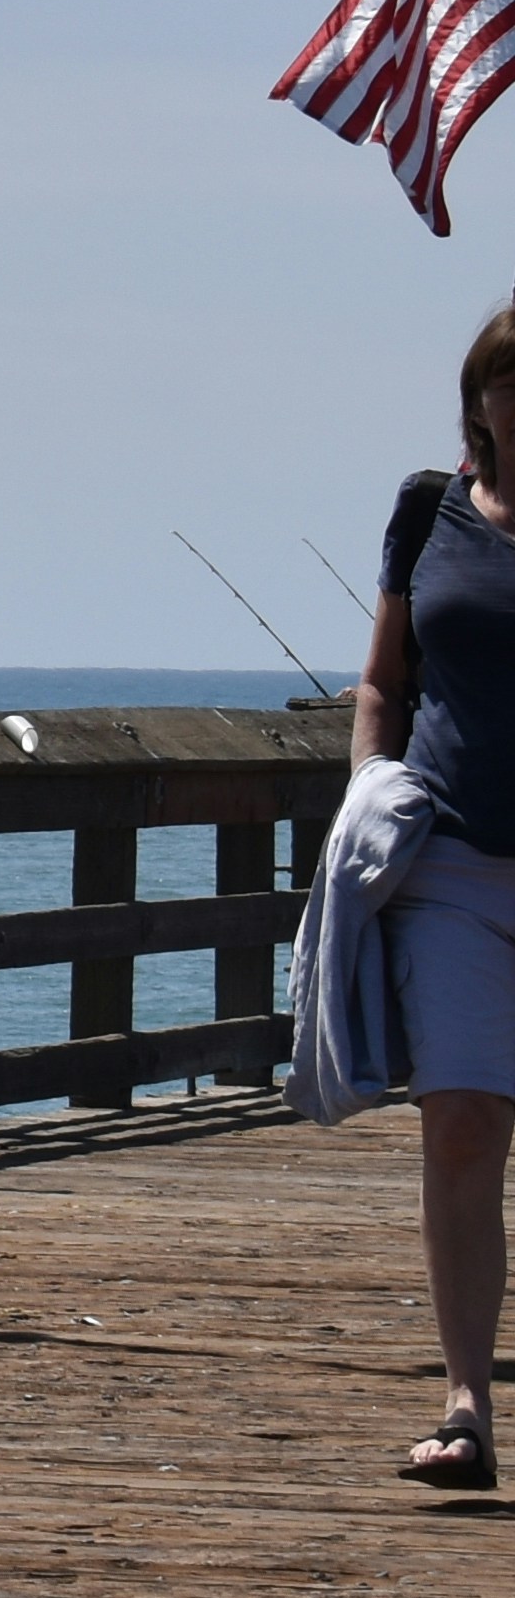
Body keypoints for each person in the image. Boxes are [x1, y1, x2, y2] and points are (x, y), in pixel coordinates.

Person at [356, 292, 515, 1489]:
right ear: (481, 405)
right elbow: (385, 680)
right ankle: (467, 1403)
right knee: (461, 1118)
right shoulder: (430, 511)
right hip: (452, 855)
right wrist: (370, 791)